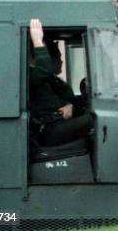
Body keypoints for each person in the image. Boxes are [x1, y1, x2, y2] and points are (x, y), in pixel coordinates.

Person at [29, 18, 94, 146]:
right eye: (57, 57)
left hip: (58, 123)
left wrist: (70, 106)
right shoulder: (31, 75)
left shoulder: (49, 79)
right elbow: (44, 69)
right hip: (49, 129)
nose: (61, 61)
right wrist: (37, 40)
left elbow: (67, 99)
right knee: (98, 120)